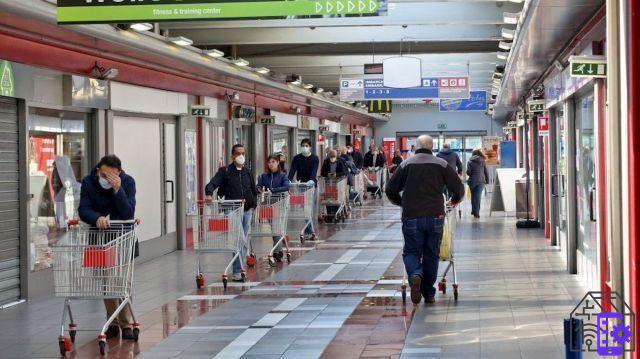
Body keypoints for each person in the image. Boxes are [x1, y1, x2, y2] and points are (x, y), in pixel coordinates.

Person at [385, 135, 464, 305]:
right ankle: (428, 293)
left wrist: (402, 203)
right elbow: (459, 189)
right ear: (431, 147)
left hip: (411, 215)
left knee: (412, 251)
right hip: (436, 215)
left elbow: (390, 189)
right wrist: (452, 202)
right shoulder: (441, 164)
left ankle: (415, 274)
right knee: (431, 254)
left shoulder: (406, 164)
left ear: (416, 147)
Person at [78, 154, 137, 340]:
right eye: (102, 175)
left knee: (123, 283)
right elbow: (83, 209)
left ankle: (126, 324)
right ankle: (112, 322)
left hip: (123, 239)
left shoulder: (128, 183)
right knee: (107, 282)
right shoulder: (89, 182)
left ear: (118, 173)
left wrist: (118, 189)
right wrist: (96, 218)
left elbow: (128, 211)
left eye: (109, 176)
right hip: (100, 238)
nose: (104, 179)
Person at [205, 144, 258, 281]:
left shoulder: (247, 171)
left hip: (247, 210)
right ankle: (237, 271)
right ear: (232, 156)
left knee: (242, 240)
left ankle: (238, 270)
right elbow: (212, 184)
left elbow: (253, 189)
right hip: (232, 209)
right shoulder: (225, 171)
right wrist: (209, 194)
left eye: (243, 153)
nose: (241, 156)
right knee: (239, 239)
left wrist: (254, 205)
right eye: (238, 153)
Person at [257, 155, 291, 262]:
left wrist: (273, 190)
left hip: (279, 203)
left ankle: (277, 251)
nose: (271, 164)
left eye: (273, 162)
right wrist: (259, 189)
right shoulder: (264, 176)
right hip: (267, 204)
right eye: (269, 162)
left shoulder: (283, 176)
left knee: (276, 226)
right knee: (274, 227)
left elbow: (286, 186)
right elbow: (259, 186)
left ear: (277, 163)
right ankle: (278, 247)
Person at [288, 138, 320, 240]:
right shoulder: (297, 158)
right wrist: (288, 180)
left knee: (308, 209)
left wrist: (312, 180)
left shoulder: (315, 158)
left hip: (310, 185)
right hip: (300, 185)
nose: (304, 147)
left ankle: (310, 231)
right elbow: (292, 170)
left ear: (310, 147)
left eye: (306, 146)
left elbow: (314, 171)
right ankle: (309, 231)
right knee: (305, 209)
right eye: (303, 145)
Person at [466, 149, 490, 219]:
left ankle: (474, 211)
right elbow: (486, 171)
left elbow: (468, 172)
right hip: (481, 181)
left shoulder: (470, 161)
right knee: (478, 196)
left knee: (473, 196)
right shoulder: (482, 161)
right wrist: (487, 180)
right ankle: (476, 212)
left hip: (472, 181)